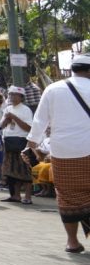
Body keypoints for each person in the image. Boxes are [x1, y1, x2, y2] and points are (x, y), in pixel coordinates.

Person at [28, 53, 90, 253]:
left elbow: (39, 121)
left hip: (63, 152)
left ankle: (72, 242)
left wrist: (31, 144)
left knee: (67, 196)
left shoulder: (53, 89)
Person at [0, 86, 34, 204]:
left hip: (21, 141)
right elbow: (1, 126)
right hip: (8, 141)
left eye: (15, 95)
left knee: (24, 170)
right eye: (11, 95)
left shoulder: (25, 109)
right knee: (10, 170)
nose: (12, 97)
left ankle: (28, 196)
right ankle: (15, 195)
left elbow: (29, 127)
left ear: (21, 97)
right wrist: (6, 120)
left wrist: (14, 118)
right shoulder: (7, 108)